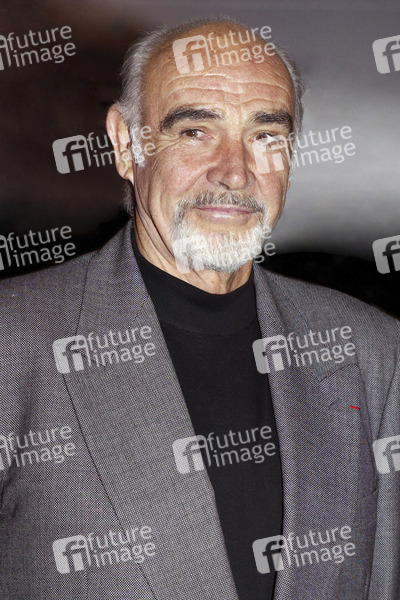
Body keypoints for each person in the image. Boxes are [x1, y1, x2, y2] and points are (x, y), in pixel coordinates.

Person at [0, 16, 399, 600]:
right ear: (125, 143)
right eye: (194, 131)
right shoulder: (14, 340)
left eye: (265, 136)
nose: (234, 172)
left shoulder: (372, 350)